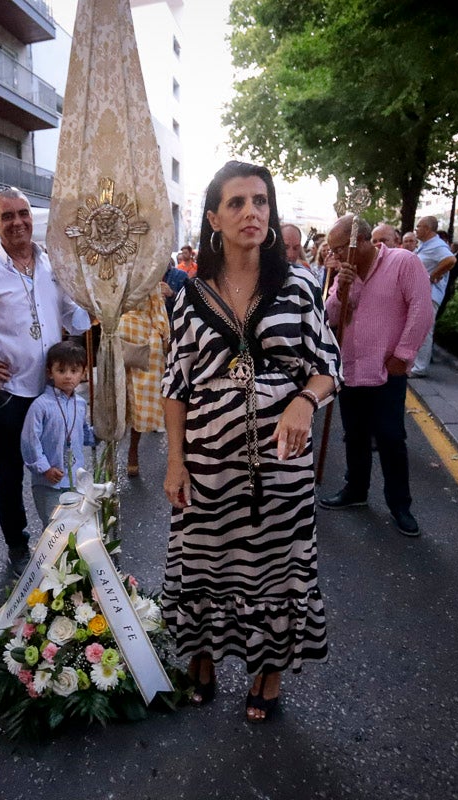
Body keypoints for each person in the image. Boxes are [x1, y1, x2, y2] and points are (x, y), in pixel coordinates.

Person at [162, 160, 341, 723]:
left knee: (277, 569)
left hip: (282, 467)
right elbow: (175, 384)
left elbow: (328, 367)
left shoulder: (299, 288)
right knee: (206, 562)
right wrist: (174, 462)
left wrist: (302, 400)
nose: (251, 212)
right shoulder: (190, 296)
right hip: (208, 462)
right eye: (236, 202)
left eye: (260, 201)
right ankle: (203, 661)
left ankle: (268, 674)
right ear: (214, 217)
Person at [0, 187, 91, 571]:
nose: (17, 222)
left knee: (59, 467)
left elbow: (75, 319)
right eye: (8, 216)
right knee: (11, 475)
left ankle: (62, 540)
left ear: (32, 218)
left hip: (53, 392)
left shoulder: (53, 265)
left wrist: (96, 298)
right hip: (8, 396)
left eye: (23, 214)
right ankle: (18, 547)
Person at [320, 214, 432, 536]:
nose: (337, 255)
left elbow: (421, 308)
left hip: (386, 370)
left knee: (390, 438)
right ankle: (356, 490)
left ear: (365, 241)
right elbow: (330, 316)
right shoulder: (345, 275)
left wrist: (404, 354)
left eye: (341, 248)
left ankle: (400, 505)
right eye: (333, 250)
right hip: (352, 368)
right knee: (354, 435)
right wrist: (340, 290)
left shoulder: (403, 262)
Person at [20, 340, 95, 526]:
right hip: (49, 483)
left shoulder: (80, 403)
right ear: (49, 372)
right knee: (54, 529)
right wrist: (44, 468)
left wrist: (107, 430)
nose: (68, 377)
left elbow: (85, 435)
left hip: (75, 482)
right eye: (61, 371)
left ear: (83, 373)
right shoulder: (40, 406)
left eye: (74, 371)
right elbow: (30, 442)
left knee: (75, 527)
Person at [121, 284, 170, 477]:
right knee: (120, 397)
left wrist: (164, 336)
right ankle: (123, 453)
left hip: (146, 340)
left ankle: (133, 451)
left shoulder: (151, 272)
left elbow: (157, 306)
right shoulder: (116, 269)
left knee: (142, 400)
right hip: (120, 334)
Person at [410, 215, 457, 377]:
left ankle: (420, 368)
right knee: (418, 329)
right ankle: (416, 365)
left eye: (418, 227)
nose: (416, 230)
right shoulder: (426, 245)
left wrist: (434, 275)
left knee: (424, 330)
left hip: (429, 295)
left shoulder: (437, 245)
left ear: (427, 229)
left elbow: (451, 260)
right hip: (422, 295)